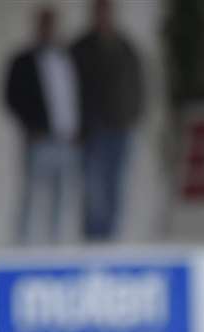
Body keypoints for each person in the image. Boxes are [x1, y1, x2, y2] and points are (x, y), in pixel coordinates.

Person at [4, 8, 82, 243]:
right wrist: (31, 125)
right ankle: (24, 243)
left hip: (67, 138)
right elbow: (10, 97)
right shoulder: (24, 61)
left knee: (63, 197)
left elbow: (77, 96)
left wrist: (80, 129)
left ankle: (58, 244)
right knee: (33, 195)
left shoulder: (67, 58)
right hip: (40, 138)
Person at [71, 0, 145, 240]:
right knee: (94, 188)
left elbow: (138, 85)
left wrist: (134, 116)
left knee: (115, 186)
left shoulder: (125, 47)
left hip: (120, 127)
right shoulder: (80, 48)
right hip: (93, 129)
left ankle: (111, 238)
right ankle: (93, 238)